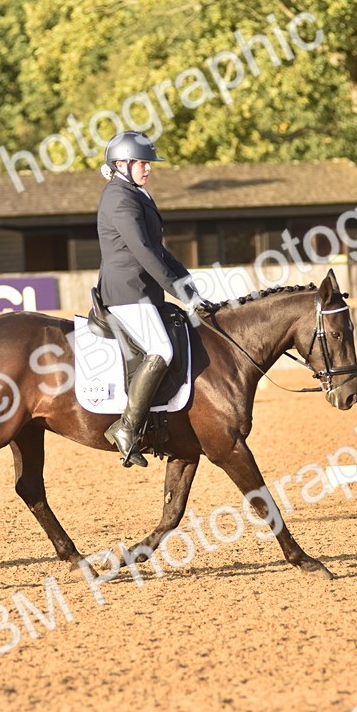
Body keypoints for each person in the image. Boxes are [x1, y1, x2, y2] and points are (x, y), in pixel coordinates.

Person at [95, 131, 215, 468]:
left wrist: (189, 287)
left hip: (143, 292)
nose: (148, 168)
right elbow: (144, 253)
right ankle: (127, 427)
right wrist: (179, 292)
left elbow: (160, 251)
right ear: (122, 163)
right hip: (127, 292)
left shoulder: (135, 194)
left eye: (148, 163)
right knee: (161, 349)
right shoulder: (120, 198)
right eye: (143, 163)